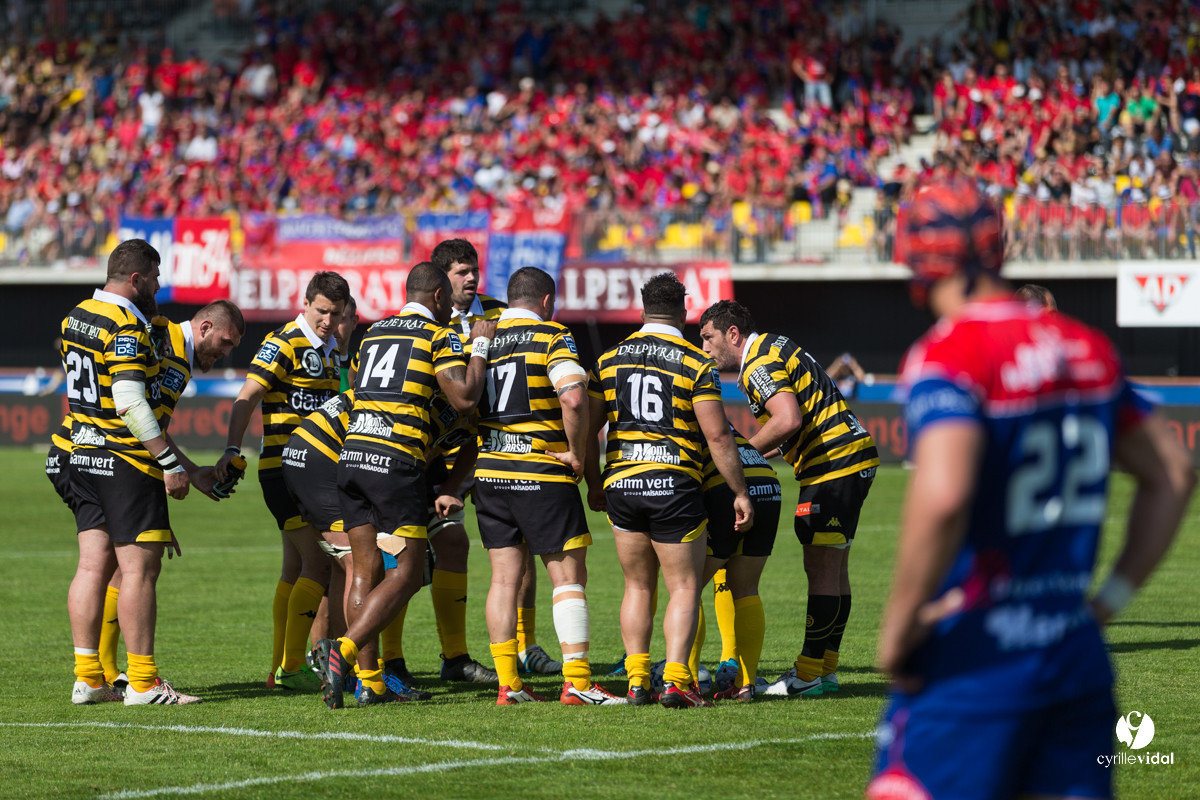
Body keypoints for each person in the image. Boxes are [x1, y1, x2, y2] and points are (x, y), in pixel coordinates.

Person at [866, 178, 1195, 800]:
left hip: (977, 652)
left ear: (917, 259)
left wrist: (899, 629)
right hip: (1073, 651)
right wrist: (1108, 602)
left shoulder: (950, 353)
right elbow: (1174, 473)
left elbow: (944, 495)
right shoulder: (1087, 348)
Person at [312, 262, 494, 709]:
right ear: (437, 297)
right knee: (409, 571)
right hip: (396, 463)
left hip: (352, 456)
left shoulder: (372, 332)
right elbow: (465, 396)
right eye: (448, 302)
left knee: (365, 569)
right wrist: (481, 346)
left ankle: (370, 682)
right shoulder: (439, 335)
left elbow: (355, 383)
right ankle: (346, 651)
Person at [587, 272, 752, 709]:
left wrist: (592, 481)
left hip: (622, 482)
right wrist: (738, 490)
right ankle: (677, 679)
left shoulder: (608, 360)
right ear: (683, 312)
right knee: (683, 586)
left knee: (637, 586)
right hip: (674, 482)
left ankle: (638, 679)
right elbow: (718, 437)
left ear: (642, 310)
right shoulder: (695, 362)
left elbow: (588, 430)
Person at [699, 300, 879, 696]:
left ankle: (809, 672)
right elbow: (795, 425)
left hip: (833, 462)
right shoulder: (777, 346)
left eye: (708, 337)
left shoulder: (756, 362)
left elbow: (787, 419)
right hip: (848, 457)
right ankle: (825, 670)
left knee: (822, 567)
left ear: (733, 334)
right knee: (835, 566)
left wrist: (740, 454)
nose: (705, 348)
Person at [473, 266, 623, 706]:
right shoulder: (552, 336)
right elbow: (574, 397)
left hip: (490, 472)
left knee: (503, 580)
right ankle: (577, 681)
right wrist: (577, 452)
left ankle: (509, 686)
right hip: (539, 472)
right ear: (545, 302)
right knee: (568, 576)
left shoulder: (481, 340)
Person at [60, 239, 195, 705]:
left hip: (83, 454)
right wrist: (170, 462)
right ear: (136, 279)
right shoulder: (125, 325)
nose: (158, 286)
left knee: (92, 567)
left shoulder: (75, 315)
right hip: (124, 460)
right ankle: (142, 682)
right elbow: (131, 402)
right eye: (155, 277)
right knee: (139, 571)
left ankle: (88, 677)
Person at [86, 301, 245, 691]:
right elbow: (138, 418)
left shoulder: (177, 350)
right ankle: (120, 676)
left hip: (111, 458)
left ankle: (101, 673)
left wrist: (189, 471)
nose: (226, 353)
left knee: (120, 566)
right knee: (133, 565)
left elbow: (154, 425)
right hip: (121, 460)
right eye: (225, 342)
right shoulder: (166, 345)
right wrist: (170, 473)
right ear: (206, 326)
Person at [216, 271, 349, 690]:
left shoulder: (330, 350)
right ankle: (294, 668)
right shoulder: (284, 342)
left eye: (335, 313)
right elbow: (248, 395)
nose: (328, 320)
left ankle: (279, 669)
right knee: (320, 562)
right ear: (306, 303)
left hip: (313, 470)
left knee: (295, 567)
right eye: (322, 311)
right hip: (286, 468)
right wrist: (232, 450)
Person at [431, 238, 555, 678]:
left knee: (518, 547)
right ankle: (444, 656)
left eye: (474, 269)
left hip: (494, 449)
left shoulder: (503, 314)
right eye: (461, 272)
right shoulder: (429, 320)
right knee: (427, 553)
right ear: (441, 280)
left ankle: (527, 646)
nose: (471, 278)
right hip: (438, 451)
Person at [702, 426, 783, 702]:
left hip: (730, 487)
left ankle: (684, 680)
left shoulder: (681, 405)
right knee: (747, 589)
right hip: (767, 483)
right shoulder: (710, 404)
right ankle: (745, 684)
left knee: (685, 589)